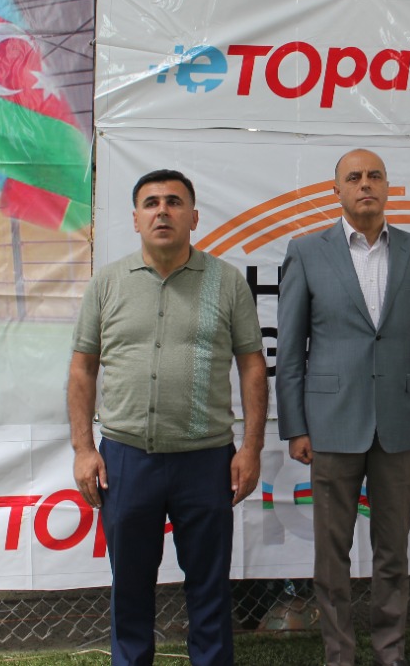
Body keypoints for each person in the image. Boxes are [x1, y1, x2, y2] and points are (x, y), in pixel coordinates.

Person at [68, 168, 268, 666]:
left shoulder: (226, 282)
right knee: (130, 585)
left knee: (209, 585)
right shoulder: (107, 283)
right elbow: (83, 368)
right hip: (126, 460)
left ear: (194, 217)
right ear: (135, 218)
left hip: (206, 460)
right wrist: (83, 449)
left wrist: (251, 448)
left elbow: (251, 366)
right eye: (152, 203)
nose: (163, 211)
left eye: (174, 202)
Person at [275, 148, 410, 666]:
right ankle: (339, 655)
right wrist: (295, 426)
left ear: (388, 186)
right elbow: (290, 349)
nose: (365, 183)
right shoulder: (306, 251)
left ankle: (390, 652)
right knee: (332, 556)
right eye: (354, 177)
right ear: (337, 190)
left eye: (374, 175)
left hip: (401, 423)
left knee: (393, 551)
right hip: (330, 424)